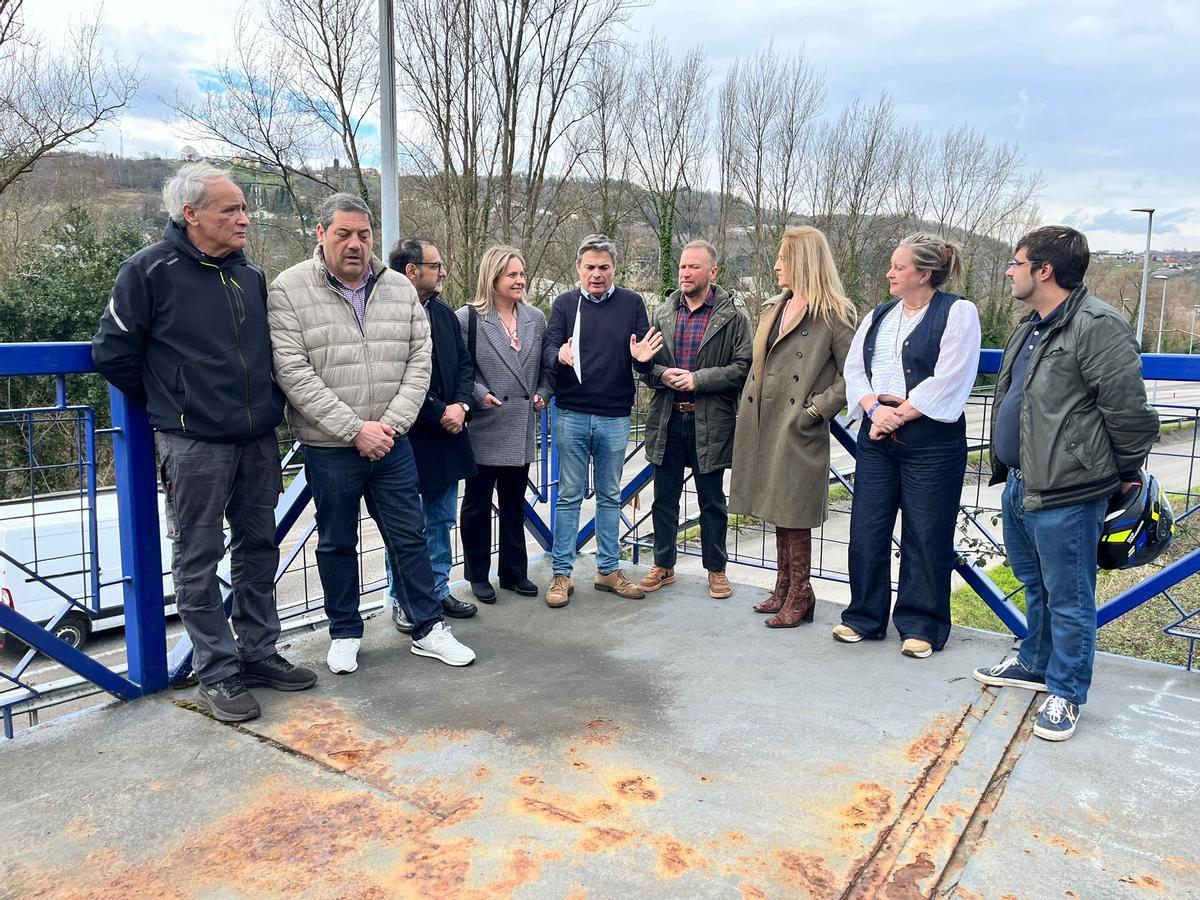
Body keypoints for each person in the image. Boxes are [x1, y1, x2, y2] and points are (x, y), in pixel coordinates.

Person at [92, 162, 316, 724]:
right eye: (231, 210)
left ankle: (259, 652)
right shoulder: (148, 271)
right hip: (194, 444)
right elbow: (112, 354)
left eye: (243, 208)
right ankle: (216, 672)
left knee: (259, 546)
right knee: (197, 556)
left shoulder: (249, 276)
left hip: (257, 438)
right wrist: (175, 405)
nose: (245, 218)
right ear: (191, 214)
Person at [267, 193, 475, 674]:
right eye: (343, 234)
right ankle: (344, 631)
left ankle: (427, 627)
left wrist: (391, 425)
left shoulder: (398, 289)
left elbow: (419, 362)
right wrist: (355, 429)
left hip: (392, 441)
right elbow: (293, 373)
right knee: (336, 541)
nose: (356, 244)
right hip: (329, 445)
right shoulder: (288, 289)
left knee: (409, 535)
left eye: (363, 234)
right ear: (320, 235)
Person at [973, 226, 1158, 741]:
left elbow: (1129, 414)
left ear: (1044, 270)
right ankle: (1035, 664)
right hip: (1020, 482)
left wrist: (1119, 477)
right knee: (1037, 586)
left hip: (1069, 492)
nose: (1010, 271)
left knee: (1071, 596)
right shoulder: (1030, 324)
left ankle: (1067, 692)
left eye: (1016, 262)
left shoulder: (1098, 325)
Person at [837, 233, 981, 657]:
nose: (890, 273)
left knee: (926, 533)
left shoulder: (959, 313)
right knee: (867, 527)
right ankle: (864, 616)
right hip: (876, 435)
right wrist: (872, 409)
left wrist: (898, 414)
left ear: (924, 273)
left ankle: (922, 624)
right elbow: (854, 367)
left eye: (899, 267)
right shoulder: (878, 314)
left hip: (931, 441)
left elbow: (951, 377)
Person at [729, 226, 857, 627]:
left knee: (794, 508)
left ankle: (800, 593)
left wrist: (815, 411)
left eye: (784, 258)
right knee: (778, 507)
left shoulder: (834, 312)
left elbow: (855, 373)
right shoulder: (776, 305)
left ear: (804, 262)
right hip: (764, 422)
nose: (776, 265)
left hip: (798, 426)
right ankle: (785, 588)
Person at [542, 234, 663, 607]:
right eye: (590, 267)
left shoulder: (631, 303)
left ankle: (608, 569)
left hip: (614, 415)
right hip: (572, 413)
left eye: (604, 268)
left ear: (614, 269)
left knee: (611, 497)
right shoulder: (564, 304)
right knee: (568, 497)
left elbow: (644, 359)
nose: (596, 274)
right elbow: (547, 350)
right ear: (579, 268)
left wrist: (642, 358)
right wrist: (558, 356)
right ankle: (562, 573)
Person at [639, 240, 752, 600]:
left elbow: (743, 368)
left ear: (713, 272)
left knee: (712, 502)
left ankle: (717, 571)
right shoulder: (662, 312)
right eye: (682, 267)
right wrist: (659, 374)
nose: (685, 273)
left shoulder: (733, 317)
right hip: (668, 418)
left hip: (711, 422)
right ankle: (664, 565)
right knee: (663, 499)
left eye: (693, 267)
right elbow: (644, 364)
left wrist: (698, 380)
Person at [383, 238, 478, 634]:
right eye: (436, 265)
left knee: (440, 519)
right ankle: (403, 599)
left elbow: (464, 366)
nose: (443, 272)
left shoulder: (443, 314)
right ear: (411, 271)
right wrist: (441, 412)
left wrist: (461, 406)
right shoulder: (386, 315)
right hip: (407, 436)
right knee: (405, 527)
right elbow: (394, 379)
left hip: (449, 433)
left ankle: (437, 589)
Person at [455, 246, 551, 600]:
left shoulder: (535, 318)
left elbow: (546, 367)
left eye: (522, 274)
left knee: (514, 503)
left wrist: (544, 393)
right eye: (512, 274)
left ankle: (514, 572)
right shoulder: (467, 318)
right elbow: (458, 368)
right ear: (492, 277)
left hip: (521, 422)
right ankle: (478, 575)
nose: (520, 280)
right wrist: (478, 394)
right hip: (484, 423)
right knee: (477, 505)